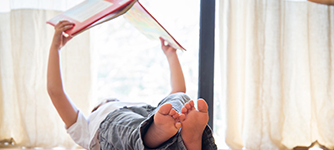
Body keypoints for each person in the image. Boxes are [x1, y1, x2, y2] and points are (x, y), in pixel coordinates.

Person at [47, 20, 217, 150]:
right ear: (96, 109)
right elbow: (56, 92)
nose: (110, 101)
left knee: (176, 99)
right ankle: (160, 135)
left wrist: (171, 54)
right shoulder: (86, 126)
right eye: (105, 103)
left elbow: (178, 91)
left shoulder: (151, 114)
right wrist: (55, 48)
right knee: (119, 122)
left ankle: (177, 138)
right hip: (123, 124)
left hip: (150, 115)